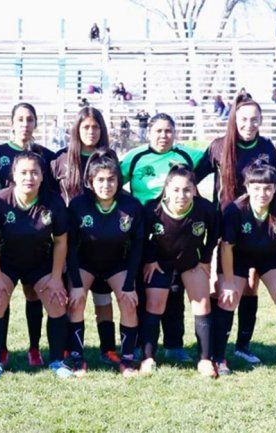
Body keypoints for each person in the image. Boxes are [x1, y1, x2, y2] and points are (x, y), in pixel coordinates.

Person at [195, 94, 276, 366]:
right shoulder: (220, 147)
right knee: (226, 286)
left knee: (250, 286)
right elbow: (192, 177)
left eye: (255, 119)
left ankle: (243, 345)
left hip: (258, 227)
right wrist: (205, 211)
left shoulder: (267, 147)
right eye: (244, 118)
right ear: (234, 119)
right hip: (226, 229)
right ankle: (216, 348)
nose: (249, 124)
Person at [121, 113, 206, 363]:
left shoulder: (187, 156)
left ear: (175, 132)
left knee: (175, 291)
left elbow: (215, 156)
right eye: (158, 131)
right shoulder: (135, 158)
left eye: (168, 130)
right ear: (149, 133)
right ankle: (141, 345)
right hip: (145, 235)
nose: (163, 135)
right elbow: (113, 182)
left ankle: (174, 344)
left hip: (178, 235)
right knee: (144, 289)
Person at [0, 151, 72, 379]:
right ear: (13, 175)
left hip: (40, 262)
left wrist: (55, 276)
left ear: (42, 176)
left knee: (56, 301)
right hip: (6, 262)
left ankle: (57, 361)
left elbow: (61, 241)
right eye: (23, 172)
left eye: (34, 172)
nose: (29, 177)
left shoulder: (53, 201)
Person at [0, 103, 58, 367]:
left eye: (30, 119)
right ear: (11, 122)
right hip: (8, 237)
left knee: (34, 293)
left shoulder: (46, 156)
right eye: (20, 119)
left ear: (36, 123)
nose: (25, 123)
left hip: (36, 235)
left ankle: (35, 347)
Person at [214, 161, 276, 375]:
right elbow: (226, 248)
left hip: (271, 257)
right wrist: (227, 282)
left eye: (267, 188)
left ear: (275, 188)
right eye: (256, 188)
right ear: (247, 188)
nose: (262, 193)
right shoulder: (235, 210)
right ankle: (218, 357)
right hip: (238, 257)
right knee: (228, 298)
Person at [50, 107, 120, 363]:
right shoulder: (61, 160)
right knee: (73, 295)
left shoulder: (109, 157)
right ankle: (72, 346)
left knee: (102, 298)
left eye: (96, 127)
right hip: (71, 241)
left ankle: (108, 347)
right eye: (86, 127)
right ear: (77, 130)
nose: (91, 132)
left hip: (103, 240)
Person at [66, 149, 143, 377]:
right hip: (85, 263)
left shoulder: (131, 206)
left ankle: (127, 359)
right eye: (100, 179)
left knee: (129, 302)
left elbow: (138, 246)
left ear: (119, 181)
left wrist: (129, 284)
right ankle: (77, 357)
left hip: (116, 264)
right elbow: (69, 246)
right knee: (77, 301)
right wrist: (77, 283)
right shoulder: (78, 205)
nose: (106, 184)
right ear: (90, 181)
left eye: (111, 179)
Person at [140, 165, 218, 377]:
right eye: (176, 190)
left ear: (194, 189)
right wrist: (150, 259)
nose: (181, 195)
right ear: (166, 189)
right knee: (155, 304)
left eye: (186, 189)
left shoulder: (206, 209)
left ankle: (204, 359)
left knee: (202, 303)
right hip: (161, 264)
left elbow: (214, 234)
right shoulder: (152, 209)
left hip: (191, 263)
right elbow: (141, 238)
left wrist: (205, 259)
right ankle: (148, 358)